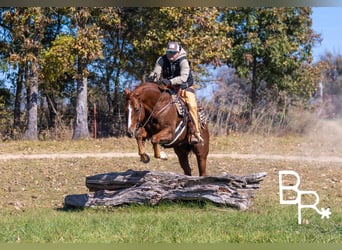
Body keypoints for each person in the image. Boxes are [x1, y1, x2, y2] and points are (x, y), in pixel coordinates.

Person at [147, 41, 204, 144]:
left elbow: (183, 78)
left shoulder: (183, 61)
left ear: (178, 52)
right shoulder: (161, 59)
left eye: (173, 52)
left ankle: (195, 132)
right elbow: (156, 71)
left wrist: (170, 81)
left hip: (185, 86)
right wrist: (153, 76)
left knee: (192, 105)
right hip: (168, 87)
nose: (171, 55)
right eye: (169, 52)